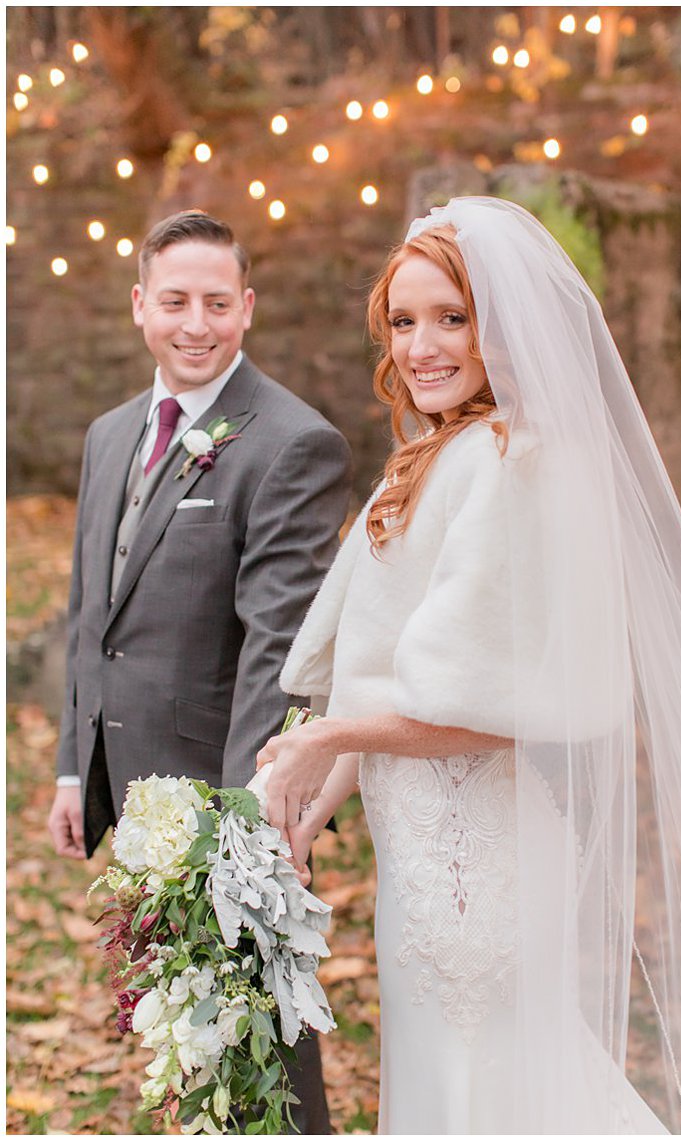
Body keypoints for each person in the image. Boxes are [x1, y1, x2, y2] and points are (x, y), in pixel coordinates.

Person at [257, 196, 681, 1133]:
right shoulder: (431, 453)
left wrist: (324, 735)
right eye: (404, 321)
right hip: (423, 858)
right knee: (448, 1093)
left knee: (488, 1096)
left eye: (453, 318)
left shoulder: (516, 460)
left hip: (475, 866)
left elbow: (493, 704)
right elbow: (383, 674)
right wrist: (300, 801)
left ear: (504, 329)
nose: (422, 346)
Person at [49, 209, 350, 1132]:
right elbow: (89, 613)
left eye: (217, 302)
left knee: (264, 1047)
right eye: (175, 300)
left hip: (226, 802)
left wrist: (243, 825)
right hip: (134, 789)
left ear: (247, 307)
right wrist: (74, 766)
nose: (196, 322)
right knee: (185, 1033)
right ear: (140, 306)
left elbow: (278, 644)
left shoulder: (291, 442)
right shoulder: (110, 434)